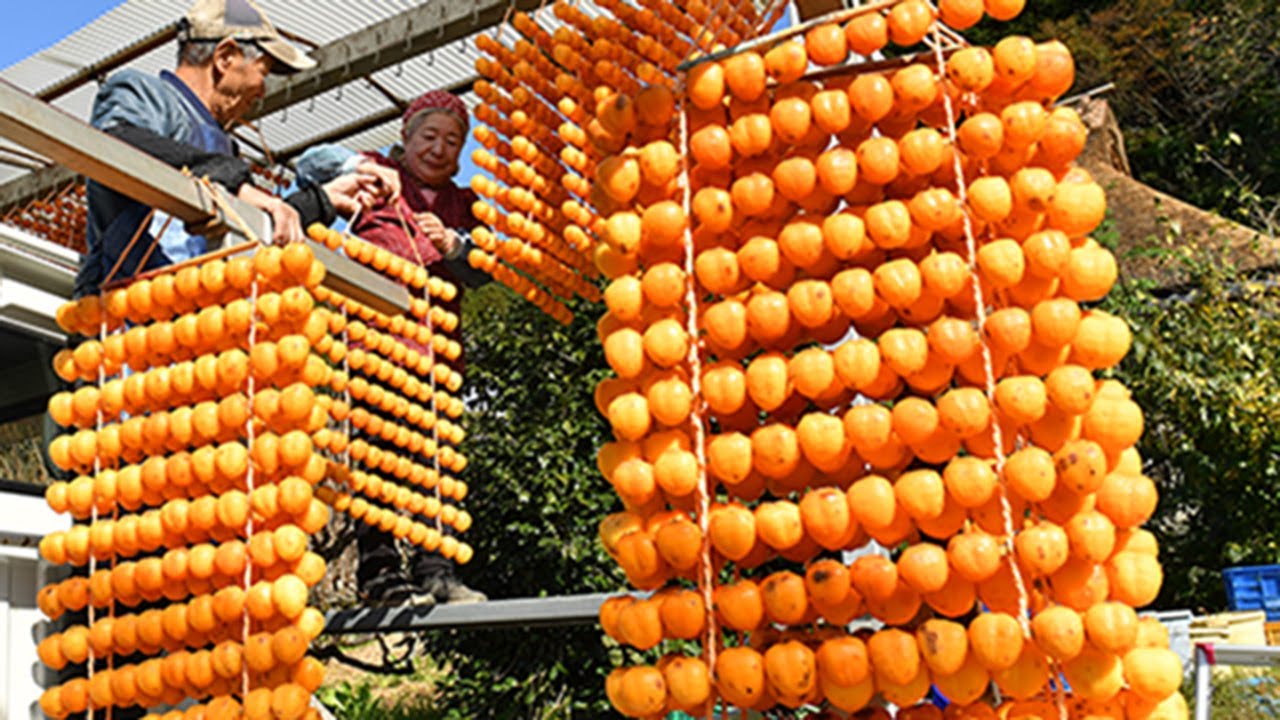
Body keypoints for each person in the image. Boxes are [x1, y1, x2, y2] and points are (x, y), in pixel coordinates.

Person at [297, 90, 491, 605]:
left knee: (437, 462)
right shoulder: (378, 175)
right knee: (378, 459)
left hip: (438, 357)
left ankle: (438, 570)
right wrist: (362, 166)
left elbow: (484, 275)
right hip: (375, 349)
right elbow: (310, 163)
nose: (439, 148)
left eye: (453, 141)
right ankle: (379, 573)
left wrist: (455, 246)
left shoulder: (464, 205)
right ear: (405, 138)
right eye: (429, 136)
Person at [74, 0, 394, 298]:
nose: (263, 90)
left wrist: (324, 200)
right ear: (225, 56)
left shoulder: (226, 147)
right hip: (126, 320)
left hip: (200, 331)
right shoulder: (143, 95)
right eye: (263, 72)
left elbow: (254, 225)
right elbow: (117, 142)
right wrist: (234, 181)